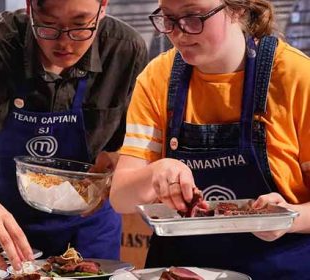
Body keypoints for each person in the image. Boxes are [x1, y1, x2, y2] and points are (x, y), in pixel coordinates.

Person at [0, 0, 148, 271]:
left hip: (90, 227)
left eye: (80, 26)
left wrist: (114, 163)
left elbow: (132, 139)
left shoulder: (124, 49)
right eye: (49, 26)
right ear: (30, 7)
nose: (65, 43)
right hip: (9, 220)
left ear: (103, 7)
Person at [109, 0, 310, 278]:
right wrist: (157, 171)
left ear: (238, 8)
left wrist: (288, 218)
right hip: (179, 269)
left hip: (278, 268)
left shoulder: (297, 78)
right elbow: (120, 198)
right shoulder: (157, 79)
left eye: (193, 17)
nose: (178, 33)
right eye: (168, 18)